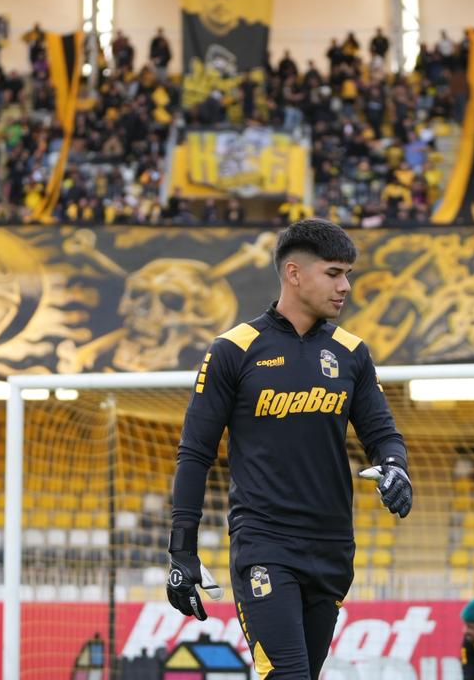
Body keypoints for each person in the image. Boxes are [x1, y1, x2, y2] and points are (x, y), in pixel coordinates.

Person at [167, 219, 411, 680]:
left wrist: (396, 468)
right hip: (265, 544)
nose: (346, 286)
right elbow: (195, 453)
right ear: (294, 273)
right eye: (334, 273)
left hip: (333, 548)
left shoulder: (352, 353)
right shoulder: (233, 350)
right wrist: (182, 551)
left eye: (348, 275)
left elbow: (382, 434)